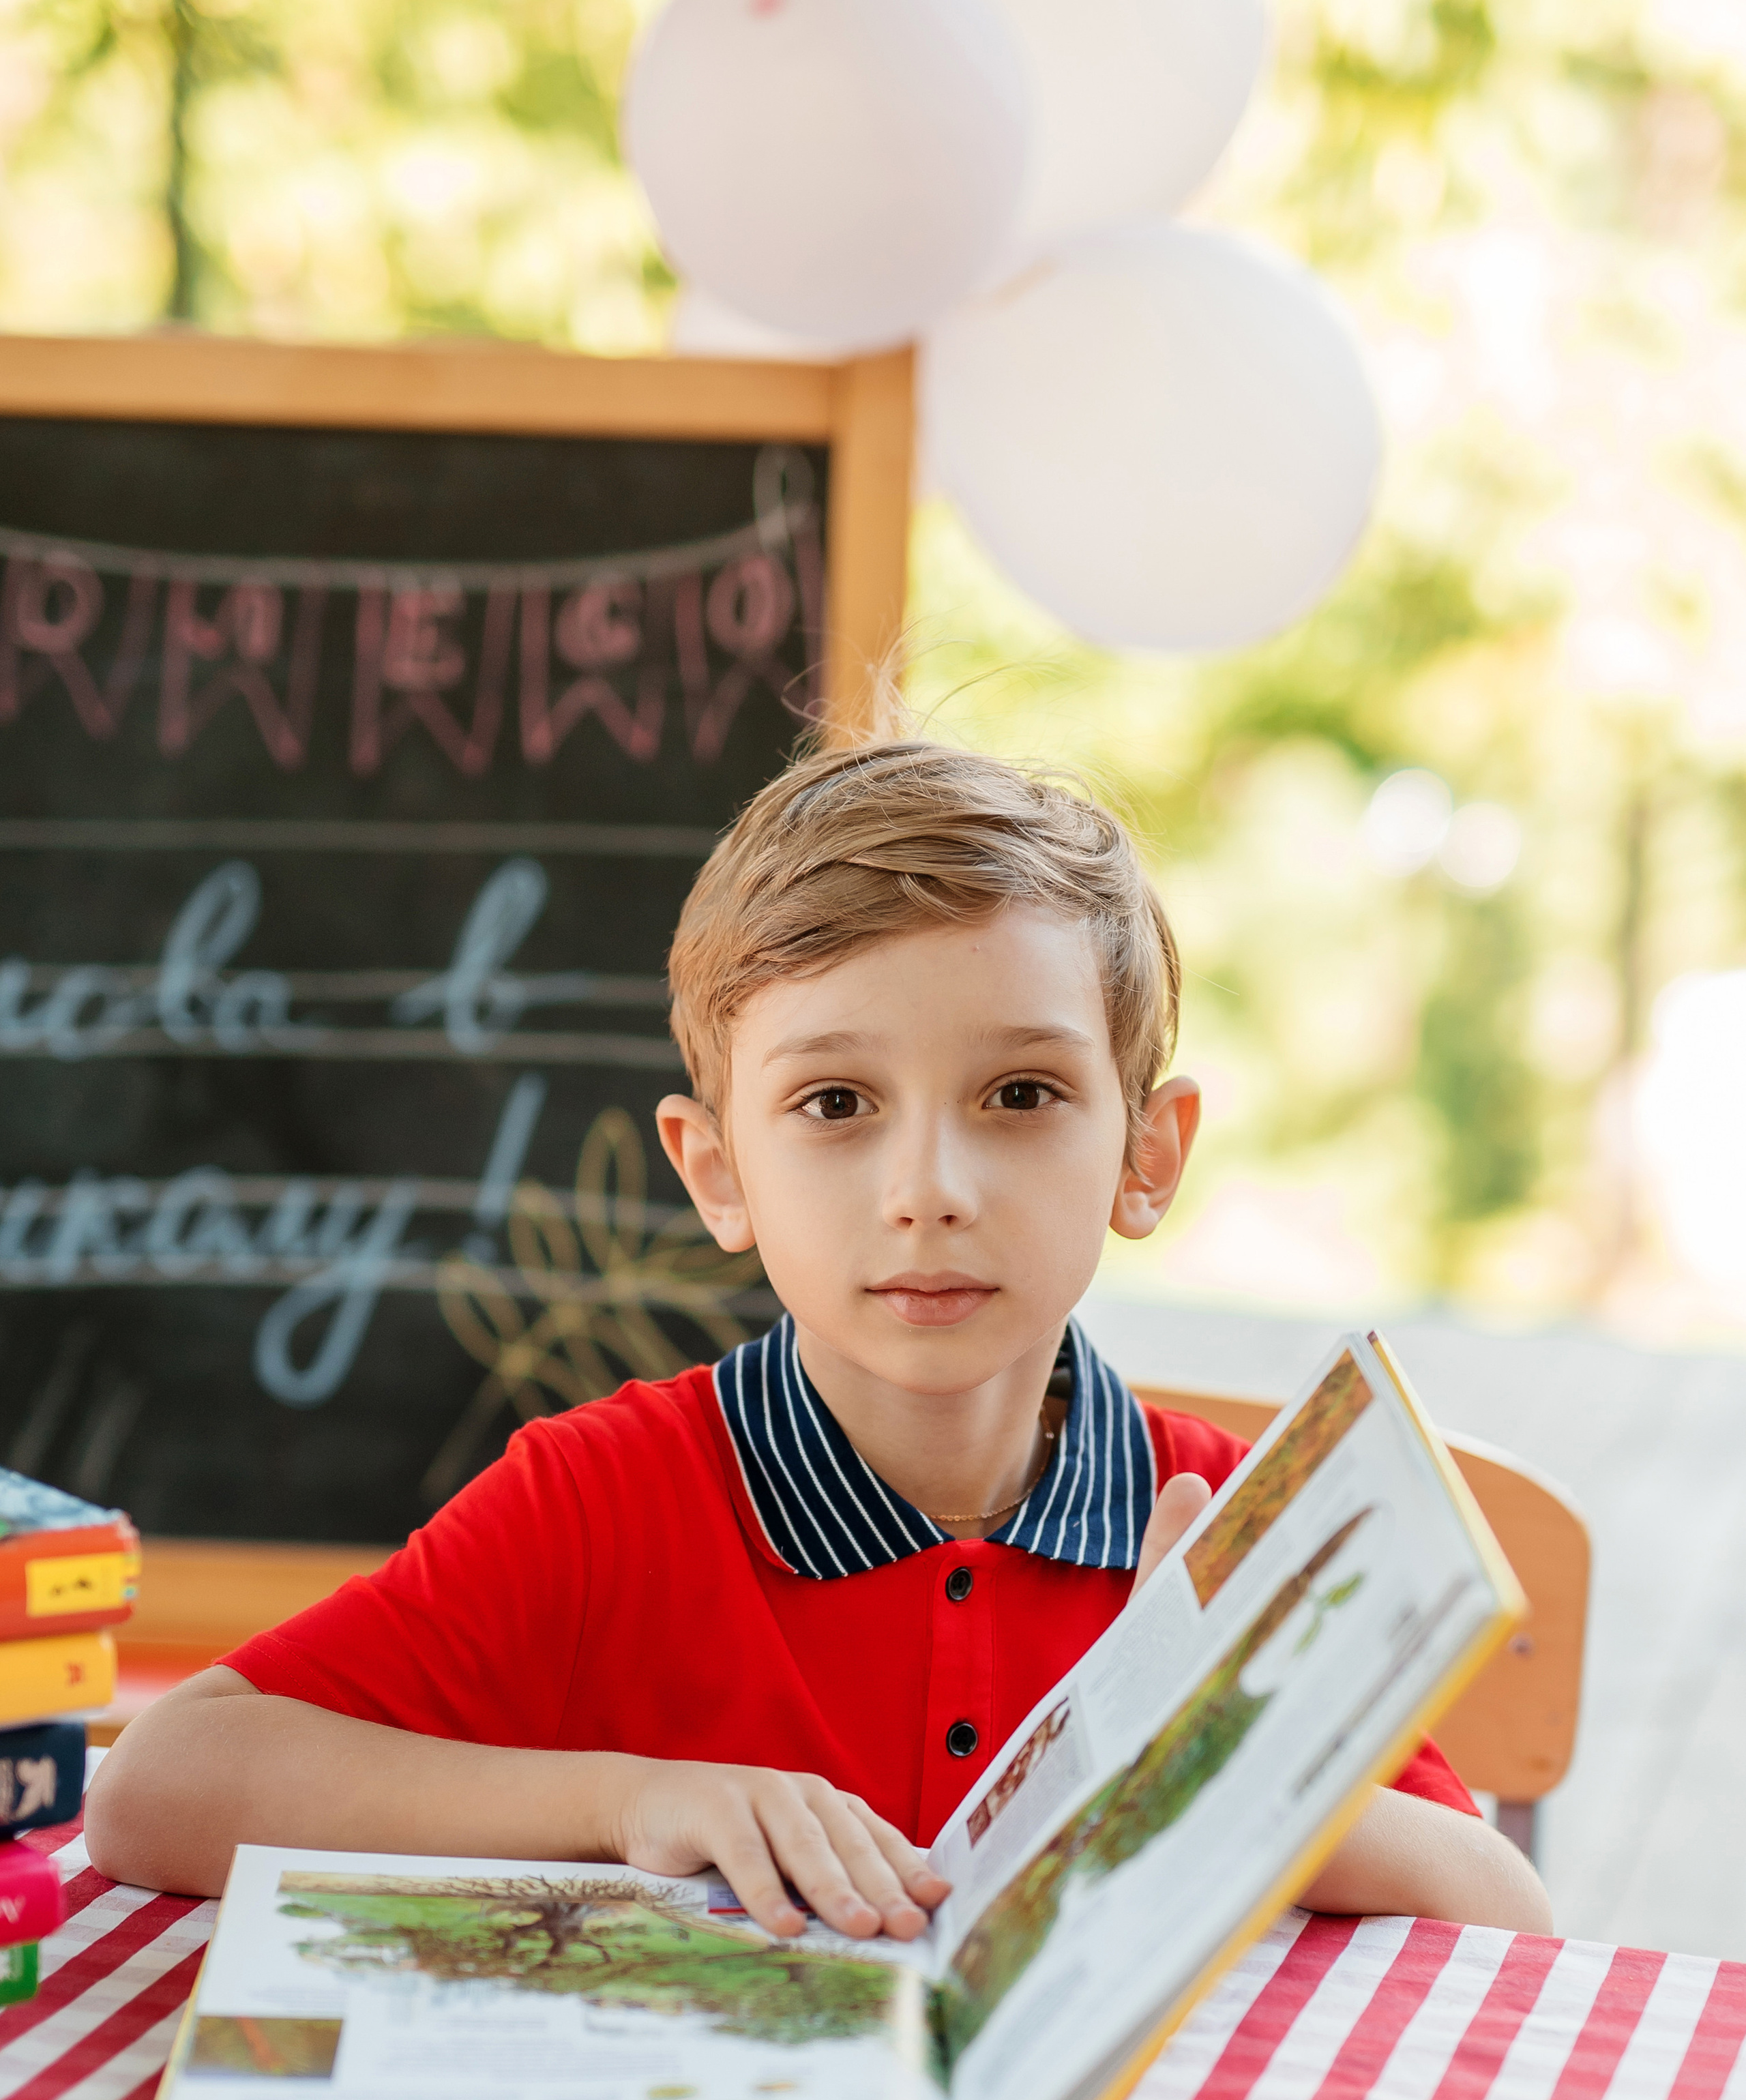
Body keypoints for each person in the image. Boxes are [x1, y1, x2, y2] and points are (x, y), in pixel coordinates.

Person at [86, 739, 1550, 1939]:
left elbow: (1504, 1918)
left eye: (1021, 1095)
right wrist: (627, 1802)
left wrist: (1213, 1757)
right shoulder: (602, 1502)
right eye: (836, 1105)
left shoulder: (1225, 1527)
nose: (929, 1192)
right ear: (716, 1169)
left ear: (1145, 1154)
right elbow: (162, 1786)